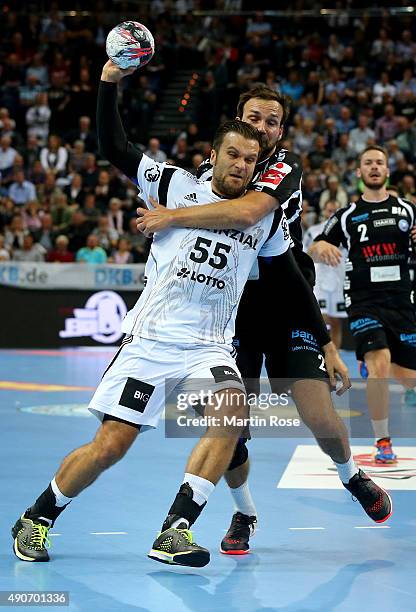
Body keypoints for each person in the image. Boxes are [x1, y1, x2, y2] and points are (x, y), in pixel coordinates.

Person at [11, 61, 288, 566]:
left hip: (208, 346)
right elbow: (114, 147)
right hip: (150, 341)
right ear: (214, 154)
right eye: (233, 154)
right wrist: (109, 82)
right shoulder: (174, 184)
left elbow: (285, 278)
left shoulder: (264, 217)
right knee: (110, 446)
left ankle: (175, 529)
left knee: (232, 411)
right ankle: (38, 516)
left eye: (251, 159)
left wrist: (322, 340)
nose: (242, 165)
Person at [136, 86, 392, 555]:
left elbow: (252, 215)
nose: (262, 126)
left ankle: (350, 474)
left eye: (272, 121)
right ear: (236, 120)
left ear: (280, 132)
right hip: (229, 314)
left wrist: (328, 345)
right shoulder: (205, 175)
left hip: (286, 301)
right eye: (253, 117)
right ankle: (245, 512)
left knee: (322, 419)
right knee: (231, 428)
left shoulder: (284, 167)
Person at [309, 145, 416, 463]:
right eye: (367, 163)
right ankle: (383, 440)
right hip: (363, 301)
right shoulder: (348, 216)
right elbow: (316, 243)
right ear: (358, 172)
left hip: (400, 301)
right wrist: (322, 248)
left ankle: (372, 365)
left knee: (406, 376)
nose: (373, 167)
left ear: (387, 170)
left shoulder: (407, 210)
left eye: (379, 163)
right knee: (380, 363)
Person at [303, 200, 347, 349]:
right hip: (320, 281)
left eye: (335, 211)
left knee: (336, 322)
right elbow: (305, 255)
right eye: (329, 211)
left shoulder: (347, 231)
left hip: (339, 280)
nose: (332, 214)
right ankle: (321, 357)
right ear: (323, 211)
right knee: (321, 320)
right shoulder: (314, 231)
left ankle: (337, 357)